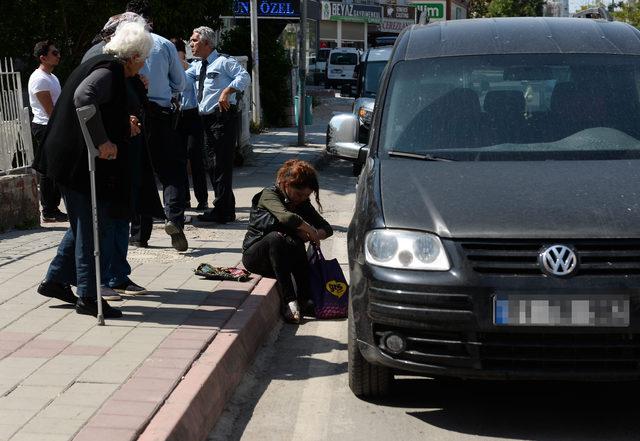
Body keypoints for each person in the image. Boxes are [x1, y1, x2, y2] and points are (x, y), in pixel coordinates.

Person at [33, 20, 154, 318]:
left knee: (85, 223)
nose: (144, 64)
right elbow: (83, 98)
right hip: (73, 160)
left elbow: (103, 106)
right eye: (144, 58)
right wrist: (102, 141)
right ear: (135, 55)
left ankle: (56, 279)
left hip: (68, 156)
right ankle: (88, 297)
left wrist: (123, 124)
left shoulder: (110, 67)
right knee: (90, 226)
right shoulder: (109, 69)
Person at [126, 0, 189, 252]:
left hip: (133, 115)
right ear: (150, 20)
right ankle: (174, 220)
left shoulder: (122, 46)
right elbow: (180, 83)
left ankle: (140, 235)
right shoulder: (163, 44)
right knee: (171, 172)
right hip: (160, 114)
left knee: (140, 172)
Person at [242, 159, 333, 324]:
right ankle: (289, 301)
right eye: (298, 194)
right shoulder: (268, 195)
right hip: (257, 256)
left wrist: (315, 235)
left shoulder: (302, 202)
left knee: (296, 241)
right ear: (284, 184)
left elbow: (327, 227)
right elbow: (286, 217)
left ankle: (305, 299)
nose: (301, 199)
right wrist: (309, 230)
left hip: (282, 259)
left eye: (306, 196)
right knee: (276, 238)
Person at [187, 26, 250, 224]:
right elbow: (182, 77)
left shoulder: (223, 62)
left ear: (207, 43)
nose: (191, 44)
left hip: (221, 118)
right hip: (205, 120)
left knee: (220, 165)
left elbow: (244, 77)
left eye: (194, 40)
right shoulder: (198, 66)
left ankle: (222, 211)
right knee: (212, 166)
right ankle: (226, 209)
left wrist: (227, 91)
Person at [28, 40, 67, 223]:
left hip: (53, 125)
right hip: (45, 126)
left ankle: (53, 207)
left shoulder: (52, 77)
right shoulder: (39, 79)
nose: (58, 55)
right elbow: (49, 110)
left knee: (55, 167)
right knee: (49, 169)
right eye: (54, 53)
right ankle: (49, 209)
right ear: (43, 58)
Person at [171, 37, 208, 211]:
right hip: (176, 115)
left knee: (195, 155)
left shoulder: (194, 67)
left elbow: (194, 86)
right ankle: (184, 198)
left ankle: (202, 198)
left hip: (193, 113)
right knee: (179, 157)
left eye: (176, 53)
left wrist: (183, 67)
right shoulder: (168, 69)